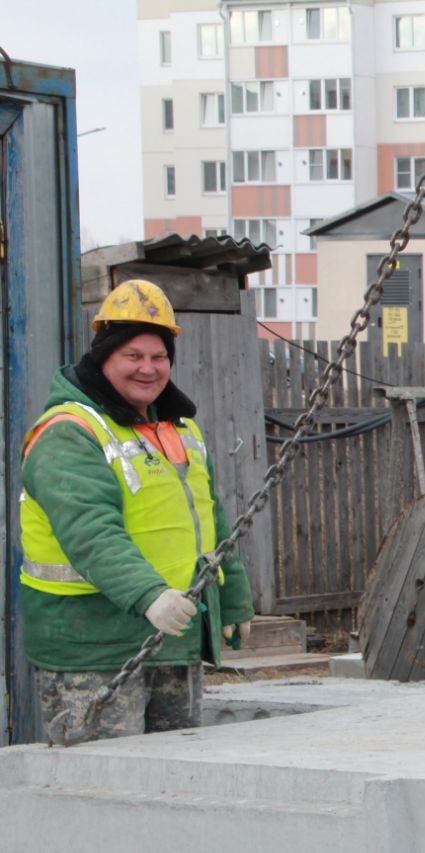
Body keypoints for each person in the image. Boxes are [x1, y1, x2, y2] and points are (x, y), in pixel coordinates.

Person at [20, 278, 255, 742]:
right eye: (133, 356)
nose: (147, 369)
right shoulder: (69, 432)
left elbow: (210, 519)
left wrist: (233, 598)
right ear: (104, 357)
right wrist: (149, 595)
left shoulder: (178, 429)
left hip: (173, 640)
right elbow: (90, 531)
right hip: (94, 651)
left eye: (158, 357)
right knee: (103, 795)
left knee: (175, 784)